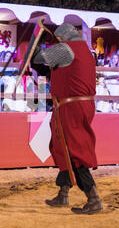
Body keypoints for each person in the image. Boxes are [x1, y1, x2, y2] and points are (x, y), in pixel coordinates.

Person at [31, 23, 103, 215]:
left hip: (72, 106)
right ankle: (63, 193)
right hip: (77, 104)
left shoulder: (66, 49)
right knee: (63, 145)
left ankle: (93, 198)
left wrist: (36, 42)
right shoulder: (85, 52)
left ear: (62, 38)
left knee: (74, 150)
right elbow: (57, 72)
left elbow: (37, 57)